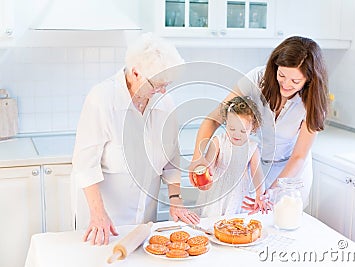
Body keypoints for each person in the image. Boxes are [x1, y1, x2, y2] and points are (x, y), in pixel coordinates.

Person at [71, 32, 200, 246]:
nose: (162, 91)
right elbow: (85, 165)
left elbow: (171, 157)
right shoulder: (102, 98)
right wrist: (98, 214)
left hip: (144, 221)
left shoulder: (164, 102)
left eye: (166, 84)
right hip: (104, 222)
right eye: (157, 84)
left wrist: (175, 200)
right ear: (136, 73)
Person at [190, 36, 329, 211]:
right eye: (282, 75)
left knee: (282, 223)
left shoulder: (312, 103)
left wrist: (270, 193)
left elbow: (298, 157)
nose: (285, 84)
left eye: (295, 81)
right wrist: (197, 158)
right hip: (256, 167)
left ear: (309, 80)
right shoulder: (257, 78)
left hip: (290, 174)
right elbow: (214, 118)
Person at [195, 96, 267, 218]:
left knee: (236, 223)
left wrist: (260, 195)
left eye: (243, 131)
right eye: (232, 128)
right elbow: (209, 164)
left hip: (238, 194)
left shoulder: (252, 147)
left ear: (253, 127)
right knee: (213, 221)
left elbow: (257, 175)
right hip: (218, 191)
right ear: (226, 122)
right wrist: (206, 175)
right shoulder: (218, 142)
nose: (236, 134)